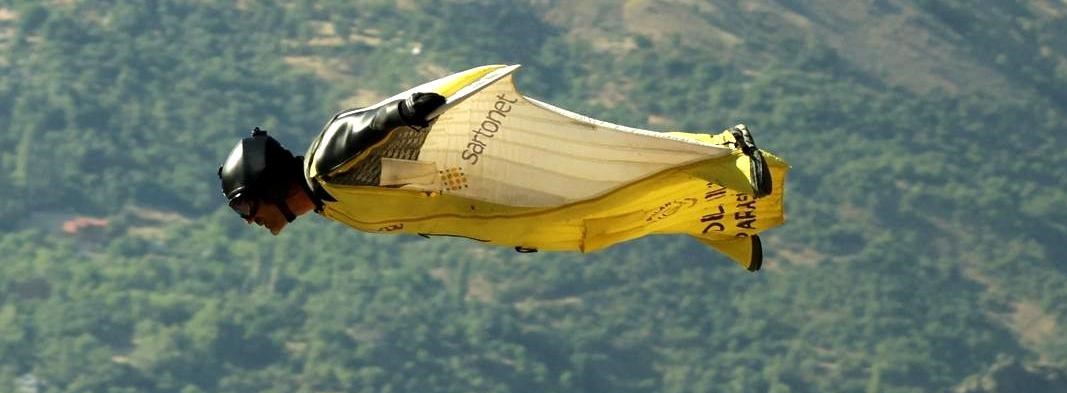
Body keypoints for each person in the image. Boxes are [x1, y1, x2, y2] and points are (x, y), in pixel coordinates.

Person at [219, 64, 787, 270]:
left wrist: (407, 111)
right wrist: (501, 224)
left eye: (248, 207)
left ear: (268, 185)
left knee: (607, 176)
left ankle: (727, 155)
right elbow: (422, 193)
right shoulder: (339, 207)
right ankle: (721, 217)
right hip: (495, 204)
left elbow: (367, 127)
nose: (253, 221)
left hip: (496, 177)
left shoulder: (329, 165)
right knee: (606, 221)